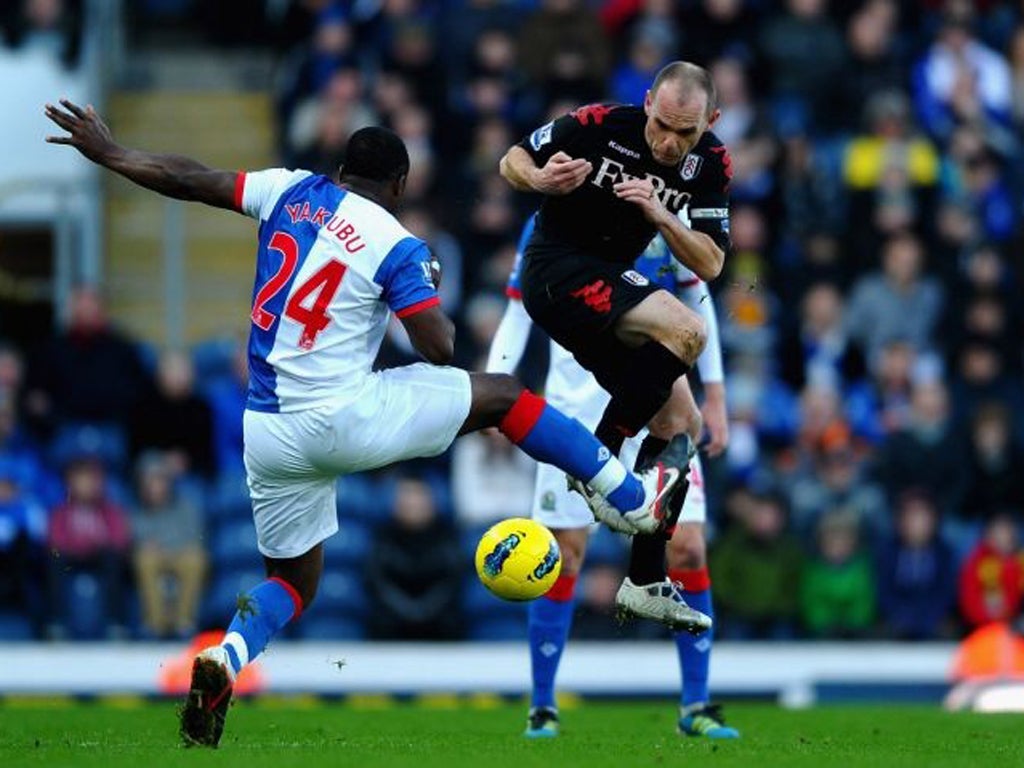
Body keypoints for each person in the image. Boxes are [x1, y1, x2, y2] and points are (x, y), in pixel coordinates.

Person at [45, 100, 688, 747]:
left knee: (291, 582)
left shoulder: (288, 190)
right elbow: (437, 346)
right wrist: (426, 280)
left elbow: (191, 178)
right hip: (344, 416)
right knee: (504, 395)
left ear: (341, 168)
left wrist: (113, 152)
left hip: (267, 430)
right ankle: (632, 499)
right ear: (402, 186)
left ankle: (224, 659)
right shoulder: (394, 242)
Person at [498, 61, 730, 629]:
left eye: (686, 132)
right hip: (558, 271)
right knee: (687, 331)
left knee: (682, 424)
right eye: (661, 125)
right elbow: (511, 159)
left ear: (711, 121)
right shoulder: (600, 124)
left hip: (606, 288)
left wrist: (660, 214)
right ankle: (600, 459)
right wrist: (540, 180)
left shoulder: (712, 164)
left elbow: (713, 263)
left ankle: (645, 577)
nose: (669, 142)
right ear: (647, 102)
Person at [486, 214, 734, 738]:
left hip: (662, 405)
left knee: (687, 547)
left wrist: (714, 395)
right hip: (575, 413)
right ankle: (543, 706)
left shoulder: (669, 212)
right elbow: (517, 310)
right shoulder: (550, 218)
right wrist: (496, 381)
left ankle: (696, 705)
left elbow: (697, 303)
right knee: (563, 553)